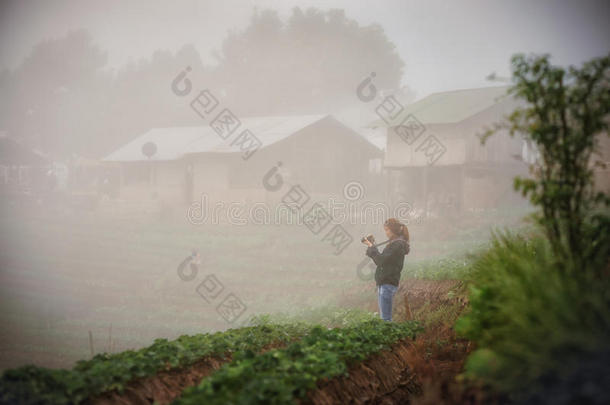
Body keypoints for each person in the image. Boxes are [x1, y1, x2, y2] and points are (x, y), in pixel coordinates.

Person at [363, 218, 410, 322]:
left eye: (387, 230)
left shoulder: (397, 245)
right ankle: (389, 335)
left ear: (393, 230)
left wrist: (371, 247)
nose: (386, 233)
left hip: (388, 283)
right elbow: (380, 261)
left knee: (385, 319)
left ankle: (390, 336)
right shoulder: (394, 244)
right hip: (384, 283)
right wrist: (372, 246)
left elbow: (380, 260)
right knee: (384, 318)